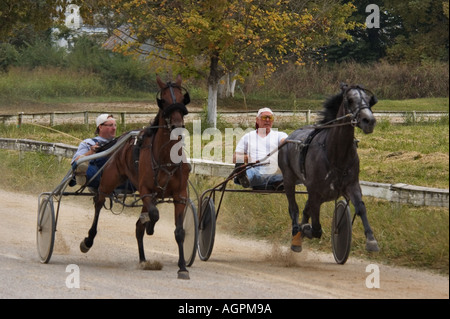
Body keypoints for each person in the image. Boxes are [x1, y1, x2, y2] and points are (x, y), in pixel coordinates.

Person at [233, 108, 287, 189]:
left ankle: (276, 181)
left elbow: (286, 142)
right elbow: (235, 158)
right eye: (265, 117)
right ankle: (244, 177)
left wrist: (286, 144)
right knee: (253, 171)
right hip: (256, 167)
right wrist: (246, 157)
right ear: (257, 120)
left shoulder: (280, 135)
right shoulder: (248, 137)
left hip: (274, 169)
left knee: (287, 172)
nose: (268, 120)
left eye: (270, 118)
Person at [72, 114, 117, 188]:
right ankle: (82, 174)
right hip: (97, 175)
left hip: (116, 174)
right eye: (110, 125)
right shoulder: (88, 142)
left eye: (115, 125)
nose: (114, 128)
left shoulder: (120, 142)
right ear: (100, 127)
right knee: (84, 165)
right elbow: (75, 161)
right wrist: (91, 152)